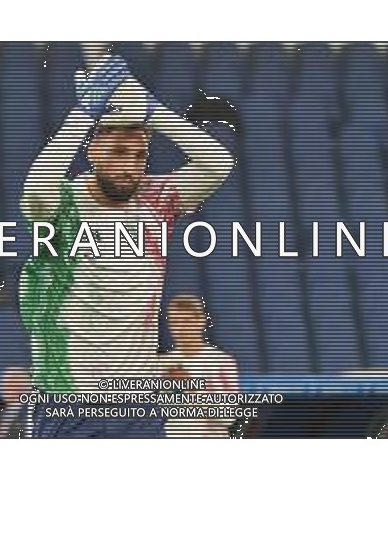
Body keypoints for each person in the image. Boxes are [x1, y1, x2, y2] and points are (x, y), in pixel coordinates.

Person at [19, 50, 235, 438]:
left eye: (140, 155)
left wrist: (148, 109)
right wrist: (85, 113)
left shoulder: (156, 199)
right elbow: (36, 189)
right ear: (92, 152)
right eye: (118, 152)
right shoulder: (62, 204)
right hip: (68, 400)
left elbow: (217, 163)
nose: (130, 166)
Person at [161, 295, 240, 438]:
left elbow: (229, 417)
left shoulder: (222, 362)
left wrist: (192, 389)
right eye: (175, 322)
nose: (180, 328)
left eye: (186, 321)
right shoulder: (164, 362)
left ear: (201, 321)